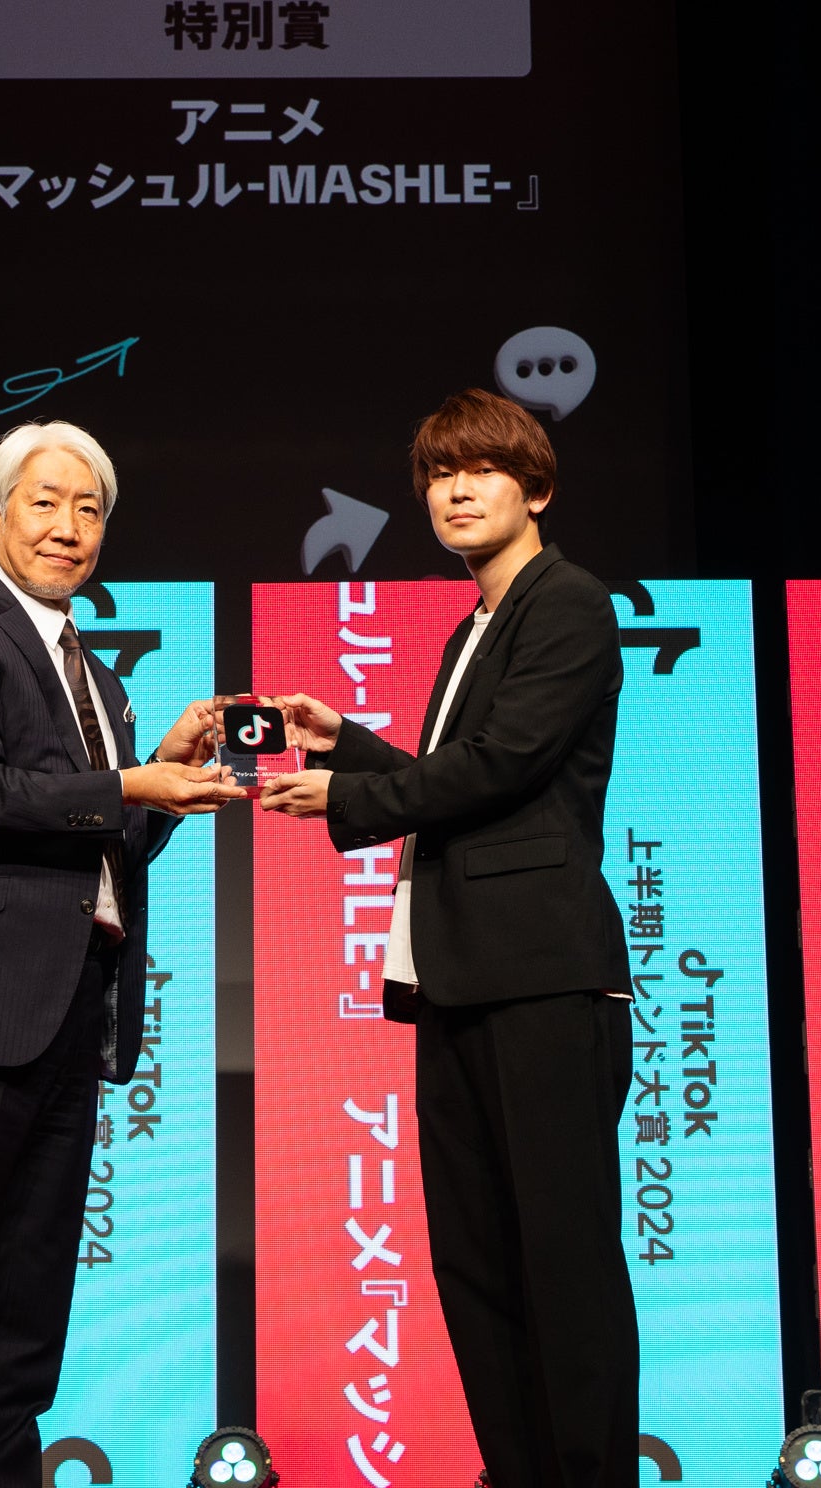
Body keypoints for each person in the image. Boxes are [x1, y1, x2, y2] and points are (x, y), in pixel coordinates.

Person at [258, 388, 637, 1488]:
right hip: (460, 978)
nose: (456, 491)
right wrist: (351, 742)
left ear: (538, 488)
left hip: (542, 976)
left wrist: (345, 797)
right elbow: (461, 778)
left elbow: (503, 765)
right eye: (438, 474)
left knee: (562, 1263)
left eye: (481, 469)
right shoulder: (476, 623)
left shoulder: (569, 601)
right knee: (476, 1262)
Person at [0, 421, 238, 1488]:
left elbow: (100, 849)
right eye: (45, 502)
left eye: (89, 509)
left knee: (24, 1306)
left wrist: (158, 774)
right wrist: (127, 783)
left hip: (73, 1011)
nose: (68, 526)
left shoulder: (100, 681)